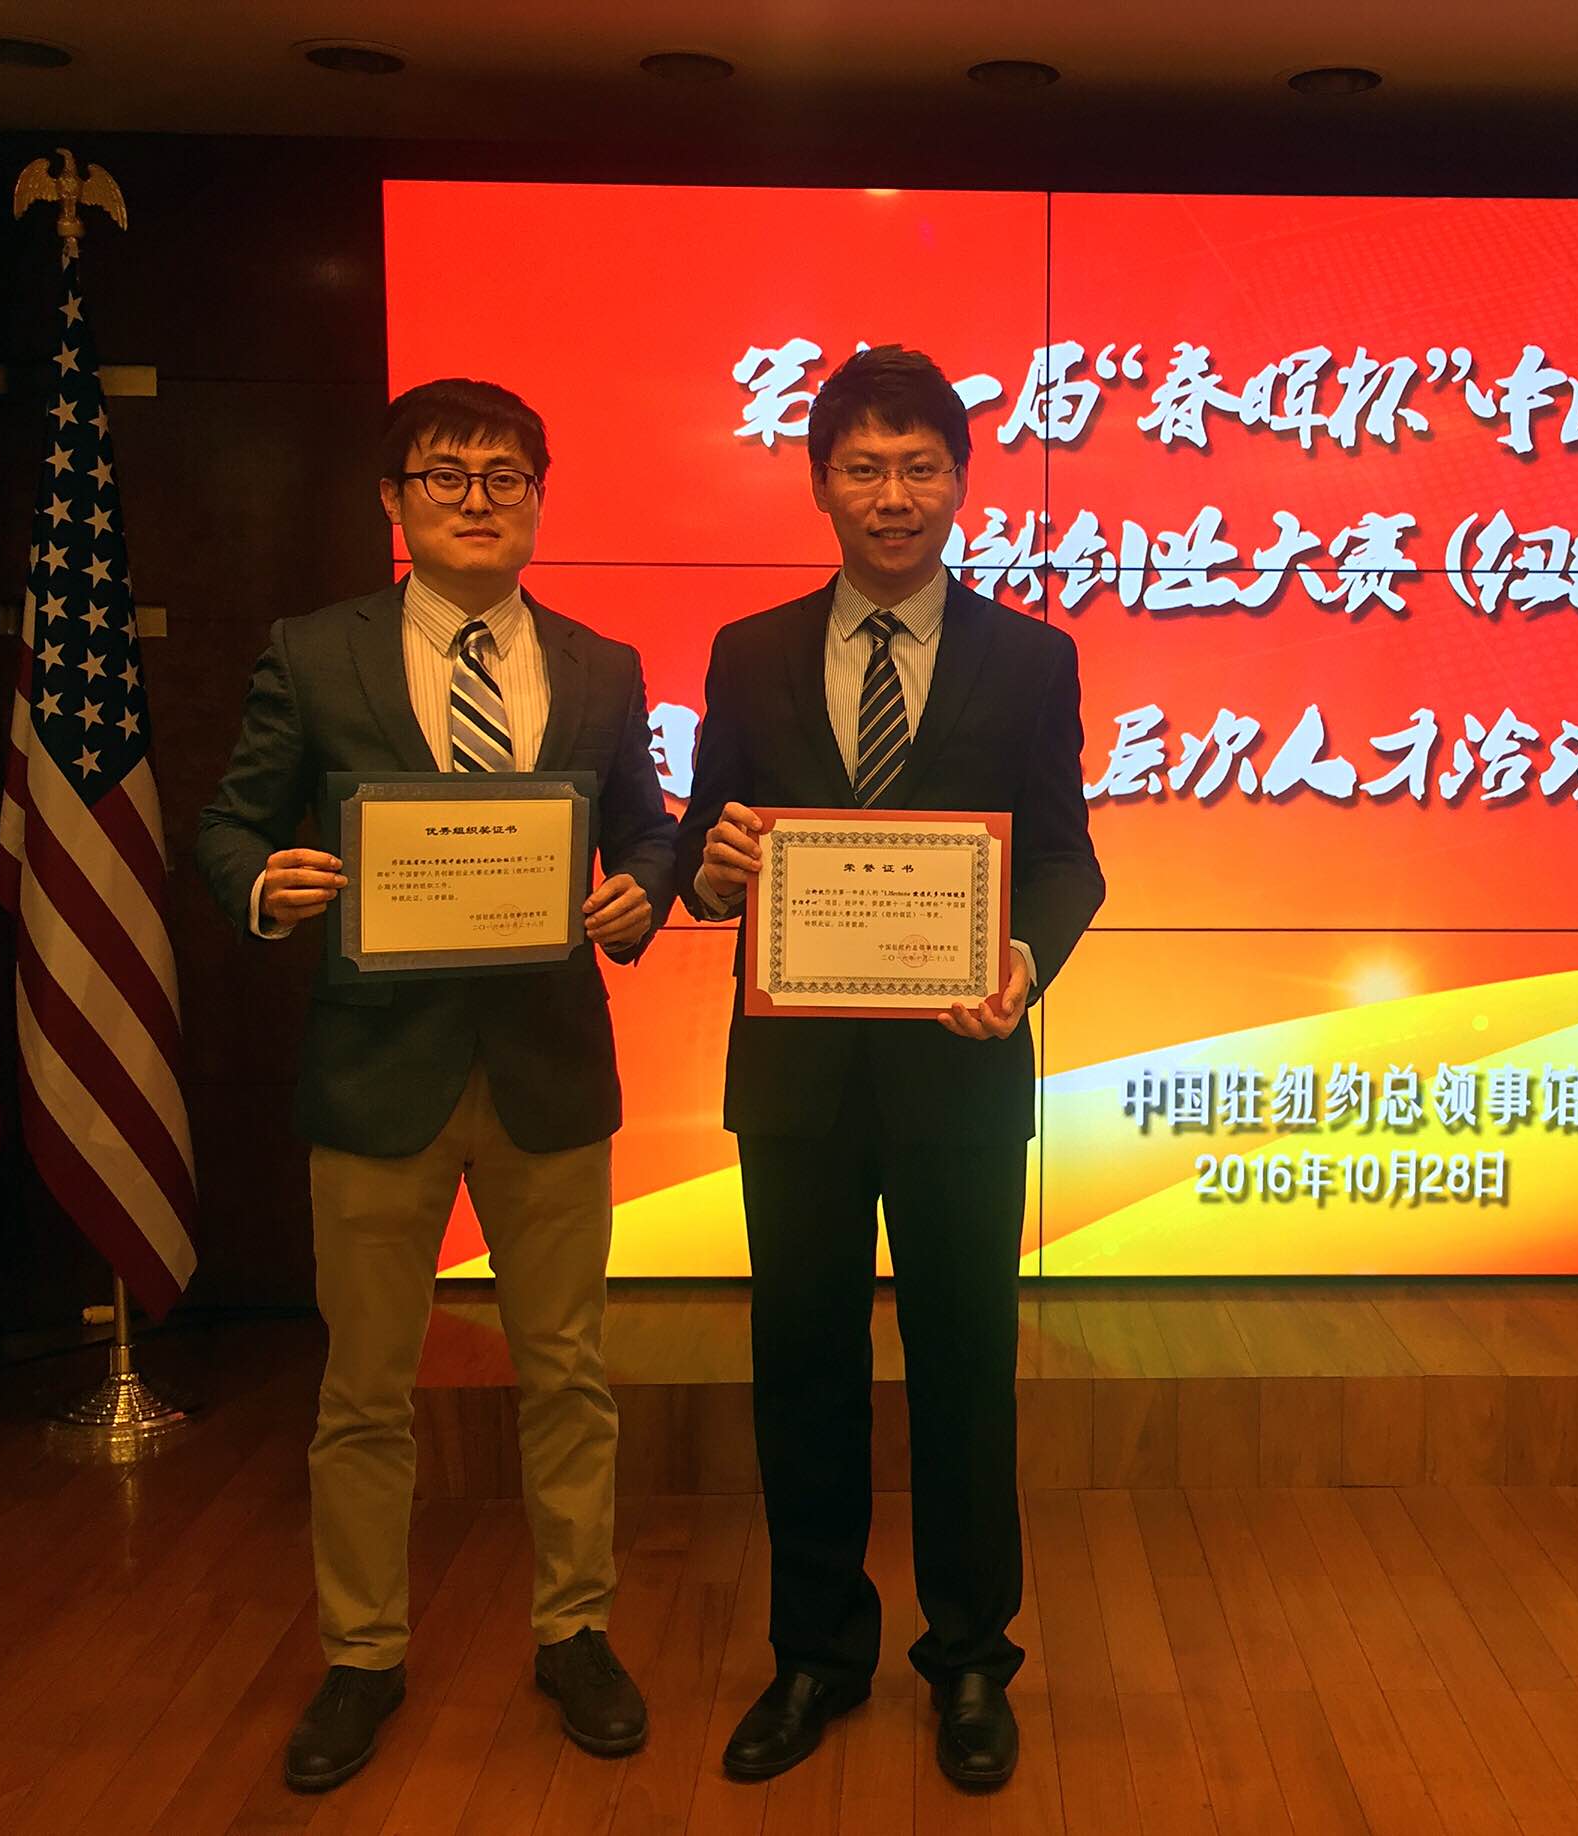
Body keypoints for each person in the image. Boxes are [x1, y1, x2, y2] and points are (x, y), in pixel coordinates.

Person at [195, 379, 674, 1793]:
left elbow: (649, 832)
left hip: (547, 1073)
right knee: (363, 1389)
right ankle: (362, 1653)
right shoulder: (313, 653)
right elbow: (229, 825)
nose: (477, 498)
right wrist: (265, 885)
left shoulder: (600, 665)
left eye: (505, 476)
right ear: (392, 502)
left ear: (538, 498)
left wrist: (641, 894)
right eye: (445, 474)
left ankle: (576, 1632)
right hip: (374, 1074)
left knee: (569, 1373)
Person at [674, 345, 1105, 1790]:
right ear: (819, 486)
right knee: (801, 1367)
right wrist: (714, 871)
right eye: (864, 467)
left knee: (965, 1372)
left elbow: (1066, 860)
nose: (894, 494)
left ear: (963, 484)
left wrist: (1024, 957)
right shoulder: (749, 651)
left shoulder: (1031, 658)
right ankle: (816, 1654)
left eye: (921, 466)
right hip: (796, 1084)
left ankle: (972, 1660)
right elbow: (707, 854)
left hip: (960, 1076)